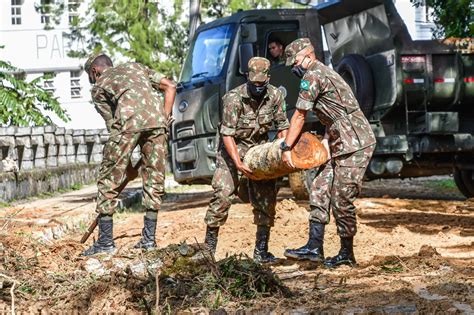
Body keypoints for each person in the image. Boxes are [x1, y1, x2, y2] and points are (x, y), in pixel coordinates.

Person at [280, 38, 376, 268]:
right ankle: (314, 246)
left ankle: (346, 253)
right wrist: (325, 139)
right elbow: (332, 111)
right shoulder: (319, 72)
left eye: (295, 62)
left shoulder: (313, 74)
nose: (294, 67)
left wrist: (286, 146)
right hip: (338, 141)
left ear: (308, 56)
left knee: (342, 198)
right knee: (320, 187)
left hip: (355, 143)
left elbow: (300, 115)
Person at [81, 53, 176, 256]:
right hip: (157, 121)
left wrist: (127, 169)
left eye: (92, 77)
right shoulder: (136, 67)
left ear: (95, 71)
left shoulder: (99, 87)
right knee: (154, 180)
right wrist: (164, 118)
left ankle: (105, 242)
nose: (93, 80)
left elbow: (115, 131)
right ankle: (148, 240)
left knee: (108, 180)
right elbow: (170, 86)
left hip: (127, 124)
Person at [203, 57, 289, 263]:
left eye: (262, 83)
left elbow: (282, 127)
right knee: (223, 195)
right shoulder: (233, 99)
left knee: (266, 198)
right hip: (231, 152)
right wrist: (239, 164)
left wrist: (281, 150)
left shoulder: (276, 95)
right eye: (254, 83)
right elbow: (227, 135)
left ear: (268, 78)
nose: (258, 87)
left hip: (258, 151)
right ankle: (207, 253)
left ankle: (261, 252)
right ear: (248, 78)